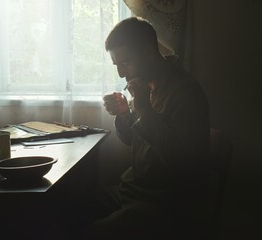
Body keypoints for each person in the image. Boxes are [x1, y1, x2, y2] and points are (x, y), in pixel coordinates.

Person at [57, 17, 211, 240]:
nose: (120, 73)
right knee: (68, 213)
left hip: (168, 204)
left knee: (90, 234)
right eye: (117, 65)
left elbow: (181, 163)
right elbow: (133, 140)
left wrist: (144, 110)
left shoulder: (185, 93)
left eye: (125, 63)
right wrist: (125, 113)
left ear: (149, 54)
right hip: (134, 190)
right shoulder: (145, 87)